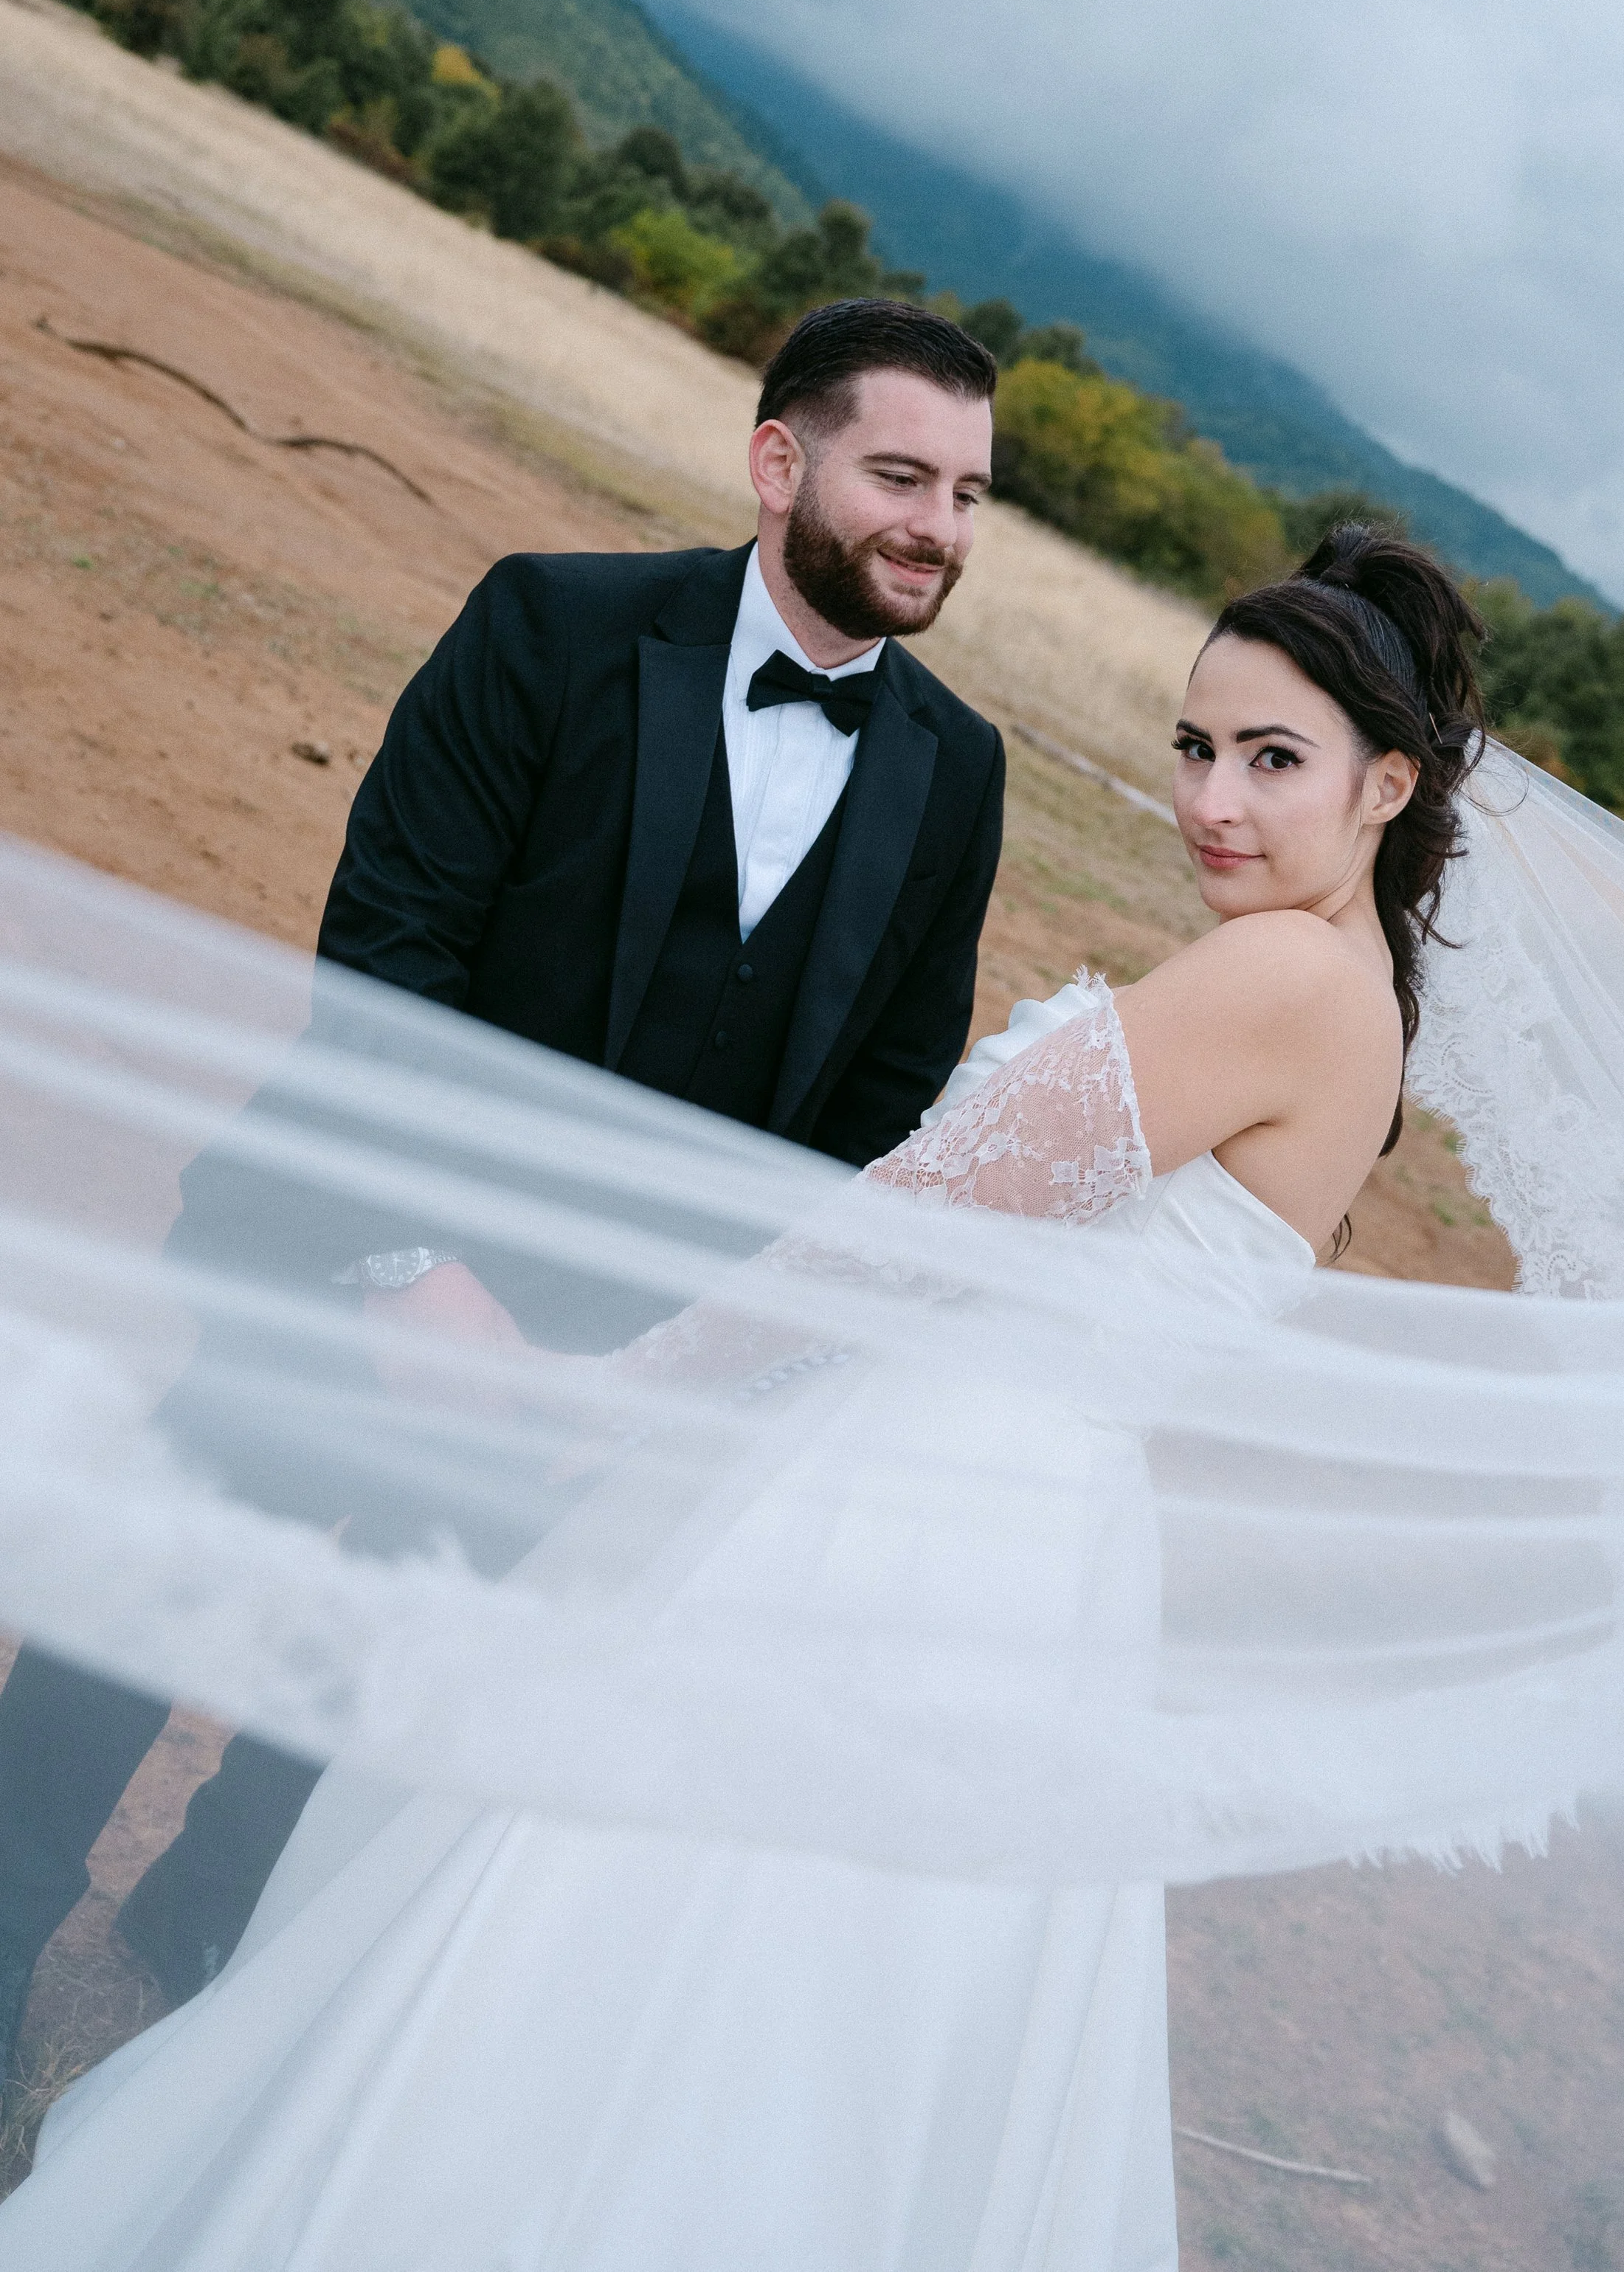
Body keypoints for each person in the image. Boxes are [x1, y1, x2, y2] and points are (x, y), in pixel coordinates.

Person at [0, 525, 1486, 2270]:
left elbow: (911, 1224)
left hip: (906, 1520)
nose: (1211, 801)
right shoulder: (1362, 1002)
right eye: (1192, 746)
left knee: (635, 1914)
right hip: (1030, 1541)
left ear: (1384, 782)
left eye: (1270, 760)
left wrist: (625, 1388)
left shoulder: (1279, 975)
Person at [0, 294, 1008, 2081]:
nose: (936, 523)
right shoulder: (550, 622)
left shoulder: (956, 773)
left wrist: (664, 1362)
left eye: (968, 494)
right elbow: (388, 952)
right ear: (779, 461)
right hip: (338, 1254)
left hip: (595, 1363)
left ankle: (202, 1954)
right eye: (901, 473)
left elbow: (876, 1108)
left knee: (384, 1682)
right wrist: (412, 1269)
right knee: (149, 1594)